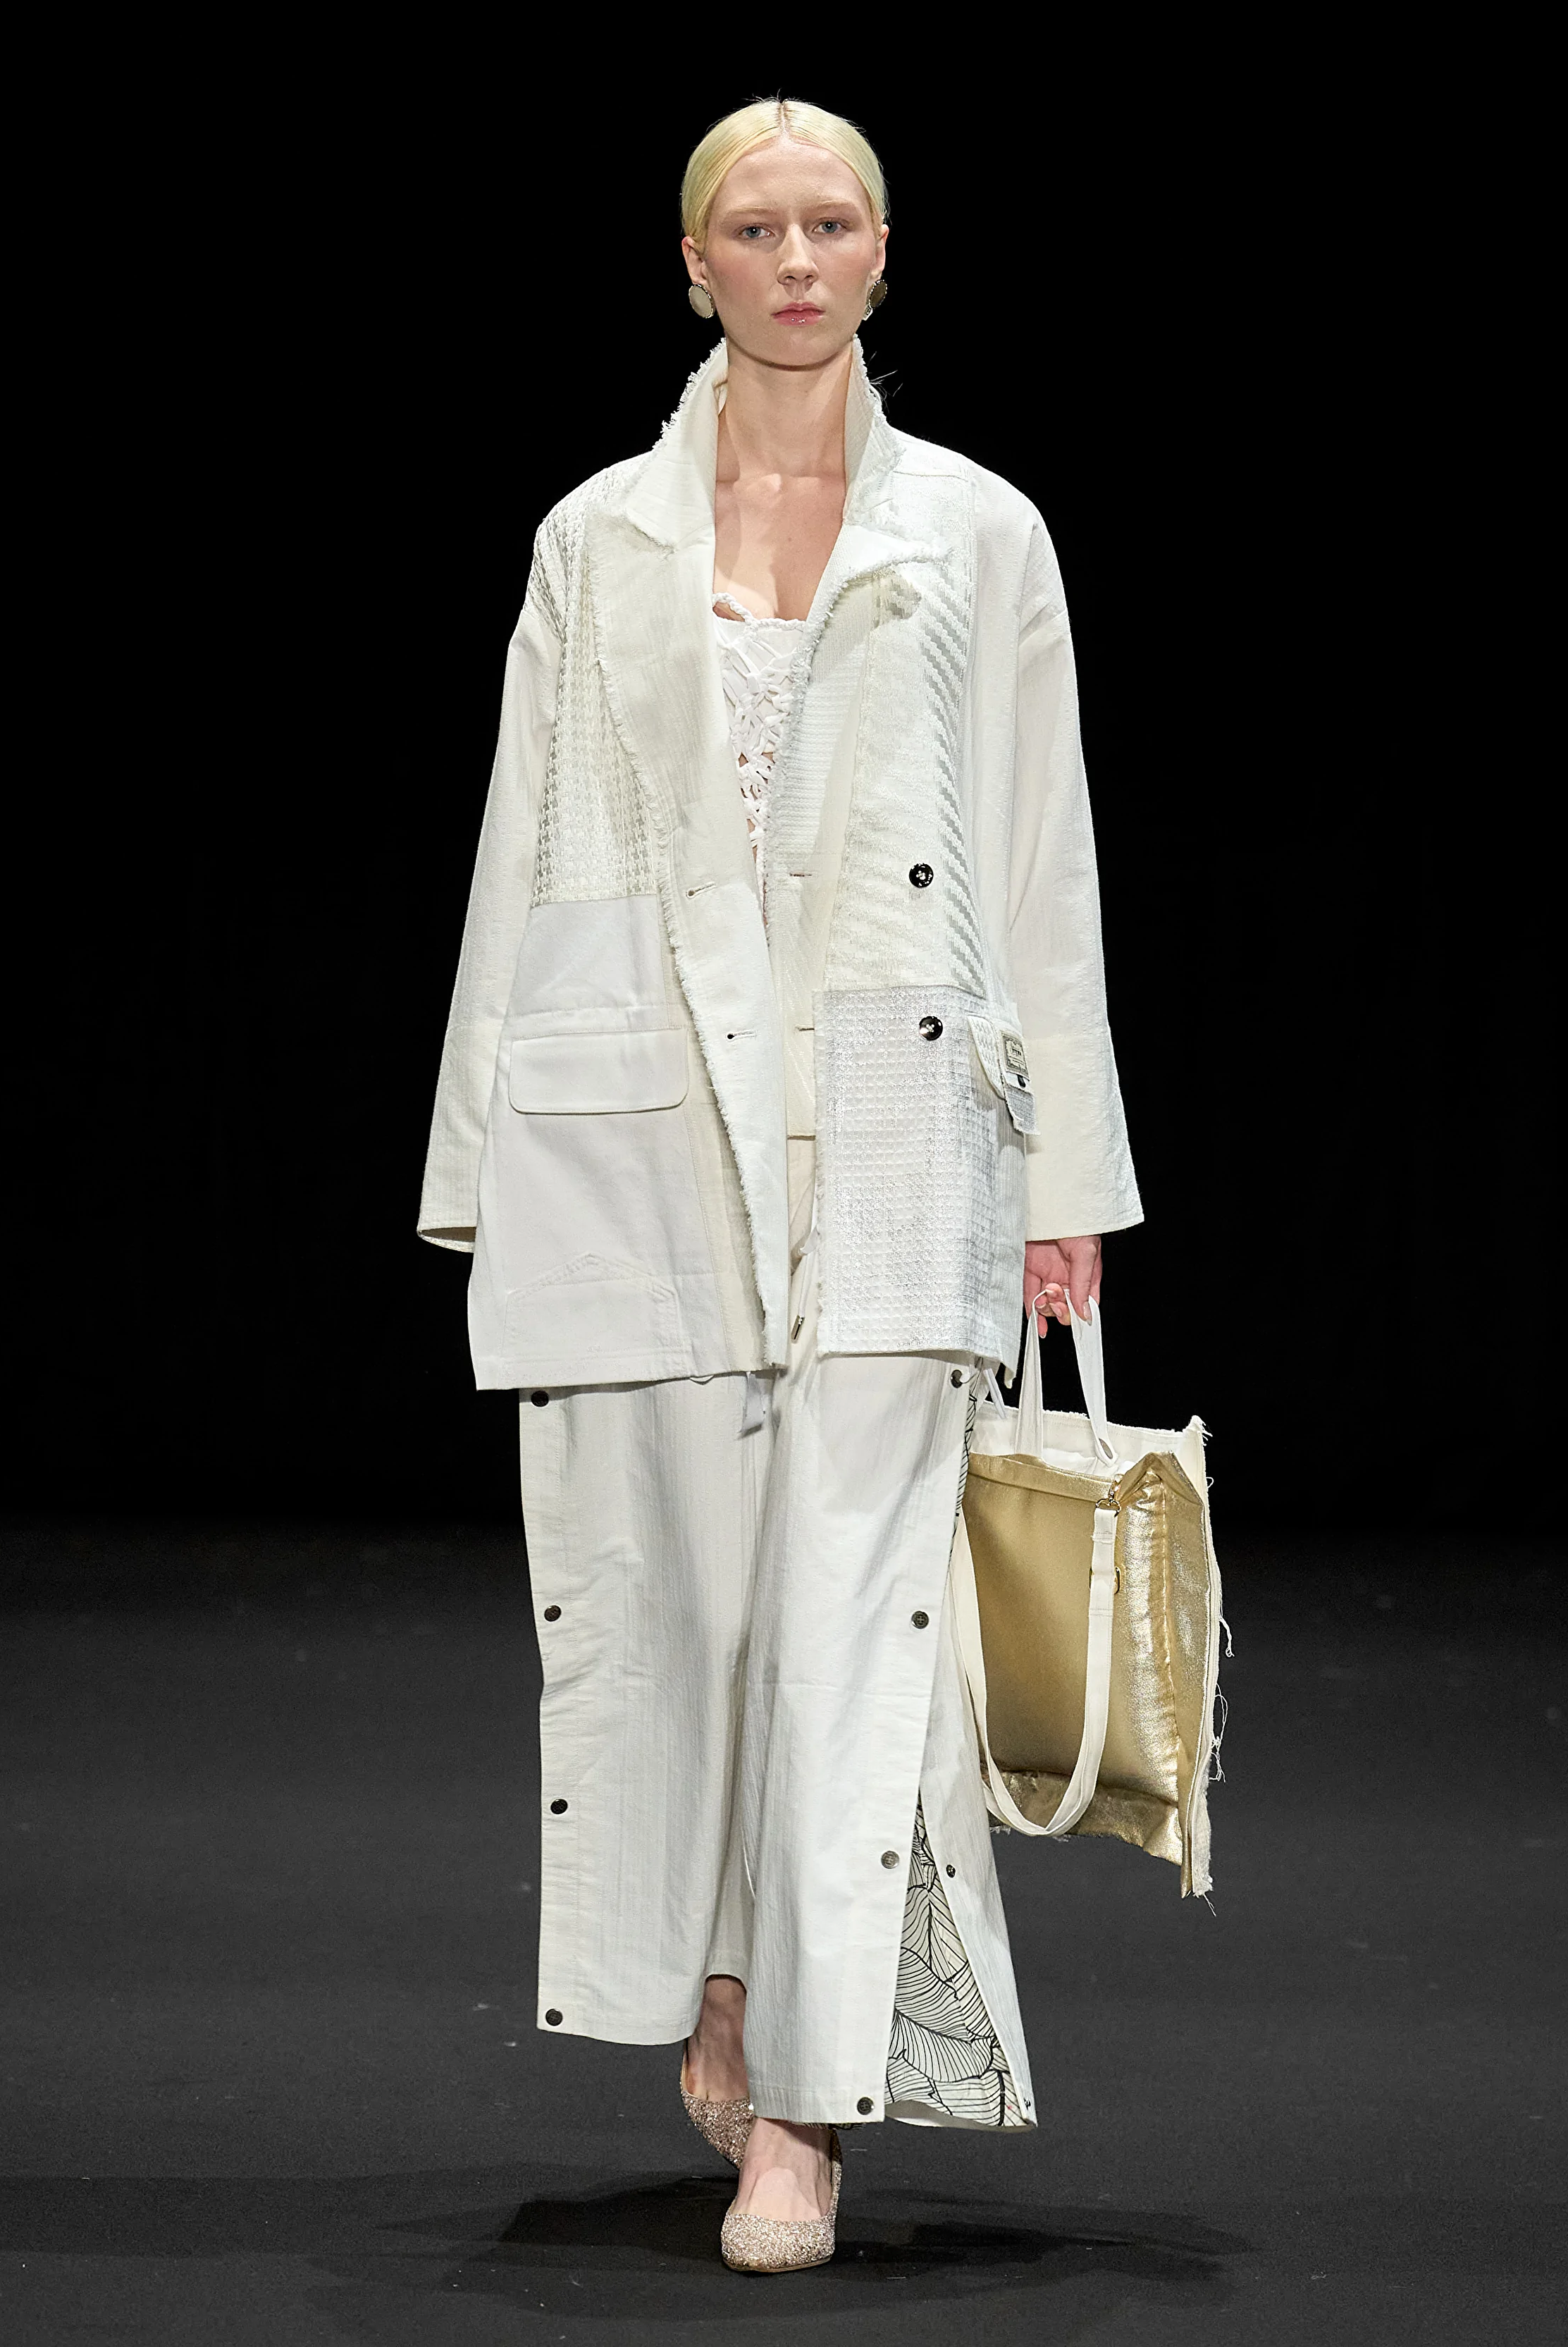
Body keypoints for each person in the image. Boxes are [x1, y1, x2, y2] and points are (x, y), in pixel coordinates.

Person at [418, 97, 1141, 2276]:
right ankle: (726, 1981)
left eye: (834, 223)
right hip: (655, 1109)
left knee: (859, 1618)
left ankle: (807, 2115)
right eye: (758, 226)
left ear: (885, 256)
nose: (799, 259)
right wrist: (486, 1158)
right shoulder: (597, 541)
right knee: (693, 1602)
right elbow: (526, 836)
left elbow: (1043, 857)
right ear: (696, 261)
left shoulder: (982, 535)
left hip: (907, 1117)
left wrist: (1068, 1172)